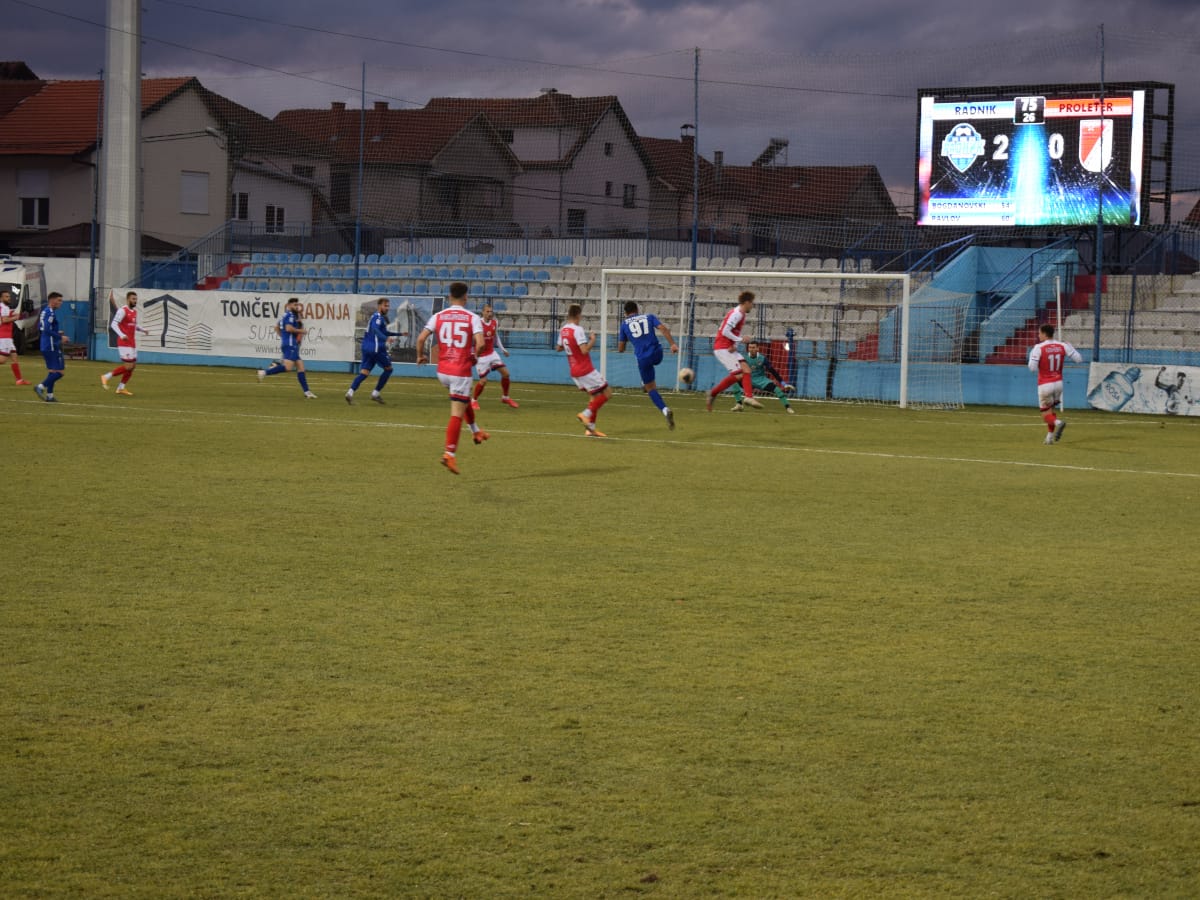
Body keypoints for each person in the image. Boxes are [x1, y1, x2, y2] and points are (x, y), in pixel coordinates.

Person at [415, 282, 489, 474]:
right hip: (460, 370)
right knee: (456, 412)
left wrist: (420, 356)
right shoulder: (472, 318)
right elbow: (480, 344)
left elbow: (421, 338)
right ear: (466, 297)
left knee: (463, 400)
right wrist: (474, 358)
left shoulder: (438, 316)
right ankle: (449, 454)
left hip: (443, 371)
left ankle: (476, 432)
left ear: (449, 297)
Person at [616, 300, 677, 430]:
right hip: (657, 353)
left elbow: (620, 348)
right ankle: (644, 383)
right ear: (637, 310)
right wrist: (672, 344)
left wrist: (627, 339)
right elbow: (663, 329)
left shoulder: (624, 325)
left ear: (626, 313)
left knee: (651, 388)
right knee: (652, 366)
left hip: (643, 359)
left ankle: (665, 410)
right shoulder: (649, 316)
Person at [556, 303, 611, 437]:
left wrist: (572, 345)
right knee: (607, 393)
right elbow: (584, 350)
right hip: (585, 369)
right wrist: (592, 340)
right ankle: (585, 414)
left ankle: (590, 429)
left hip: (574, 371)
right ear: (578, 315)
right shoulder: (577, 329)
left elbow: (558, 348)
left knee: (594, 396)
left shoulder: (563, 330)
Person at [704, 291, 761, 411]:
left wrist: (735, 343)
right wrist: (740, 339)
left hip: (728, 347)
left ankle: (713, 393)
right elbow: (725, 331)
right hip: (722, 347)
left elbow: (733, 331)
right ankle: (748, 397)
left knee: (744, 371)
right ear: (746, 302)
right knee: (743, 372)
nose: (752, 306)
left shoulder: (741, 313)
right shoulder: (737, 314)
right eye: (752, 303)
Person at [1028, 323, 1082, 444]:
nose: (1038, 335)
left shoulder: (1038, 348)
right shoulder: (1063, 345)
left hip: (1045, 384)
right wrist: (1071, 348)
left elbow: (1032, 368)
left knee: (1045, 415)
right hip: (1058, 383)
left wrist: (1032, 357)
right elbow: (1079, 359)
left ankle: (1059, 423)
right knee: (1051, 410)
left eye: (1039, 333)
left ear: (1044, 334)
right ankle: (1049, 438)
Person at [257, 297, 317, 398]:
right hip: (290, 344)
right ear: (288, 305)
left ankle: (307, 392)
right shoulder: (290, 315)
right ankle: (263, 372)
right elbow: (288, 328)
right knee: (288, 367)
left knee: (301, 367)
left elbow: (276, 327)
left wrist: (283, 337)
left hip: (288, 343)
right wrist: (301, 331)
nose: (296, 306)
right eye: (294, 305)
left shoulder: (285, 315)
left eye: (297, 305)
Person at [345, 297, 401, 405]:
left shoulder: (375, 317)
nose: (387, 308)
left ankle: (350, 392)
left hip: (366, 348)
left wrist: (399, 334)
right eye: (385, 306)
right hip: (376, 349)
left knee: (364, 373)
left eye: (388, 306)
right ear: (379, 306)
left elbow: (384, 332)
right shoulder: (378, 317)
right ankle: (375, 393)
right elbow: (375, 330)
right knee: (388, 369)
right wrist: (386, 339)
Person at [101, 290, 150, 396]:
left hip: (132, 342)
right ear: (128, 299)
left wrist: (143, 330)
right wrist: (122, 335)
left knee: (133, 366)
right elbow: (114, 324)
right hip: (124, 342)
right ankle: (106, 376)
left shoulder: (134, 312)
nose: (135, 301)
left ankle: (121, 388)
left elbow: (134, 325)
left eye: (136, 299)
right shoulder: (122, 310)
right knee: (128, 366)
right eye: (133, 299)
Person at [471, 304, 519, 410]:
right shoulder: (477, 323)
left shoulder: (494, 322)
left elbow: (496, 336)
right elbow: (472, 339)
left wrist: (503, 349)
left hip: (492, 353)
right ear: (482, 312)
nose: (490, 313)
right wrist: (472, 353)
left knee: (506, 374)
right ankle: (473, 400)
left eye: (491, 311)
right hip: (481, 356)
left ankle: (505, 397)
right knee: (483, 381)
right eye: (487, 311)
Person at [731, 339, 796, 414]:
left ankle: (788, 407)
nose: (751, 349)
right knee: (733, 380)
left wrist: (784, 384)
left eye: (753, 347)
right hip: (748, 380)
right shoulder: (743, 358)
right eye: (750, 348)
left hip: (761, 380)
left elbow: (773, 371)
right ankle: (739, 404)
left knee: (777, 390)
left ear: (758, 348)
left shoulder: (762, 358)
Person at [33, 291, 67, 402]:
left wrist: (57, 331)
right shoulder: (50, 313)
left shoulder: (44, 311)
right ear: (52, 300)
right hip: (51, 345)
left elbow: (41, 326)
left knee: (52, 371)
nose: (60, 303)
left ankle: (50, 396)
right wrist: (59, 337)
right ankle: (40, 386)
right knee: (60, 372)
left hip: (45, 344)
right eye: (59, 300)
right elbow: (47, 329)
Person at [0, 288, 31, 385]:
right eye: (6, 297)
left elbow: (7, 316)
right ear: (1, 298)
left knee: (14, 356)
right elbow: (4, 320)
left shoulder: (4, 307)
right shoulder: (3, 307)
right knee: (2, 360)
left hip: (7, 337)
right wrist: (15, 317)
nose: (9, 298)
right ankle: (19, 380)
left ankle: (19, 380)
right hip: (4, 337)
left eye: (9, 296)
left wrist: (16, 315)